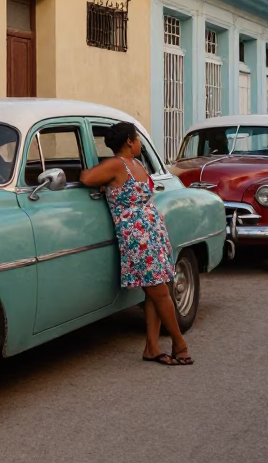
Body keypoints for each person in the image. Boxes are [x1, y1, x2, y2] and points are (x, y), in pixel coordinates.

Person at [80, 120, 193, 366]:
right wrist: (103, 182)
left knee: (155, 292)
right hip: (137, 237)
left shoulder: (136, 164)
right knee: (160, 293)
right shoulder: (116, 165)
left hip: (152, 232)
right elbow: (86, 177)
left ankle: (152, 347)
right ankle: (179, 344)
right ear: (130, 141)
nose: (140, 142)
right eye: (138, 138)